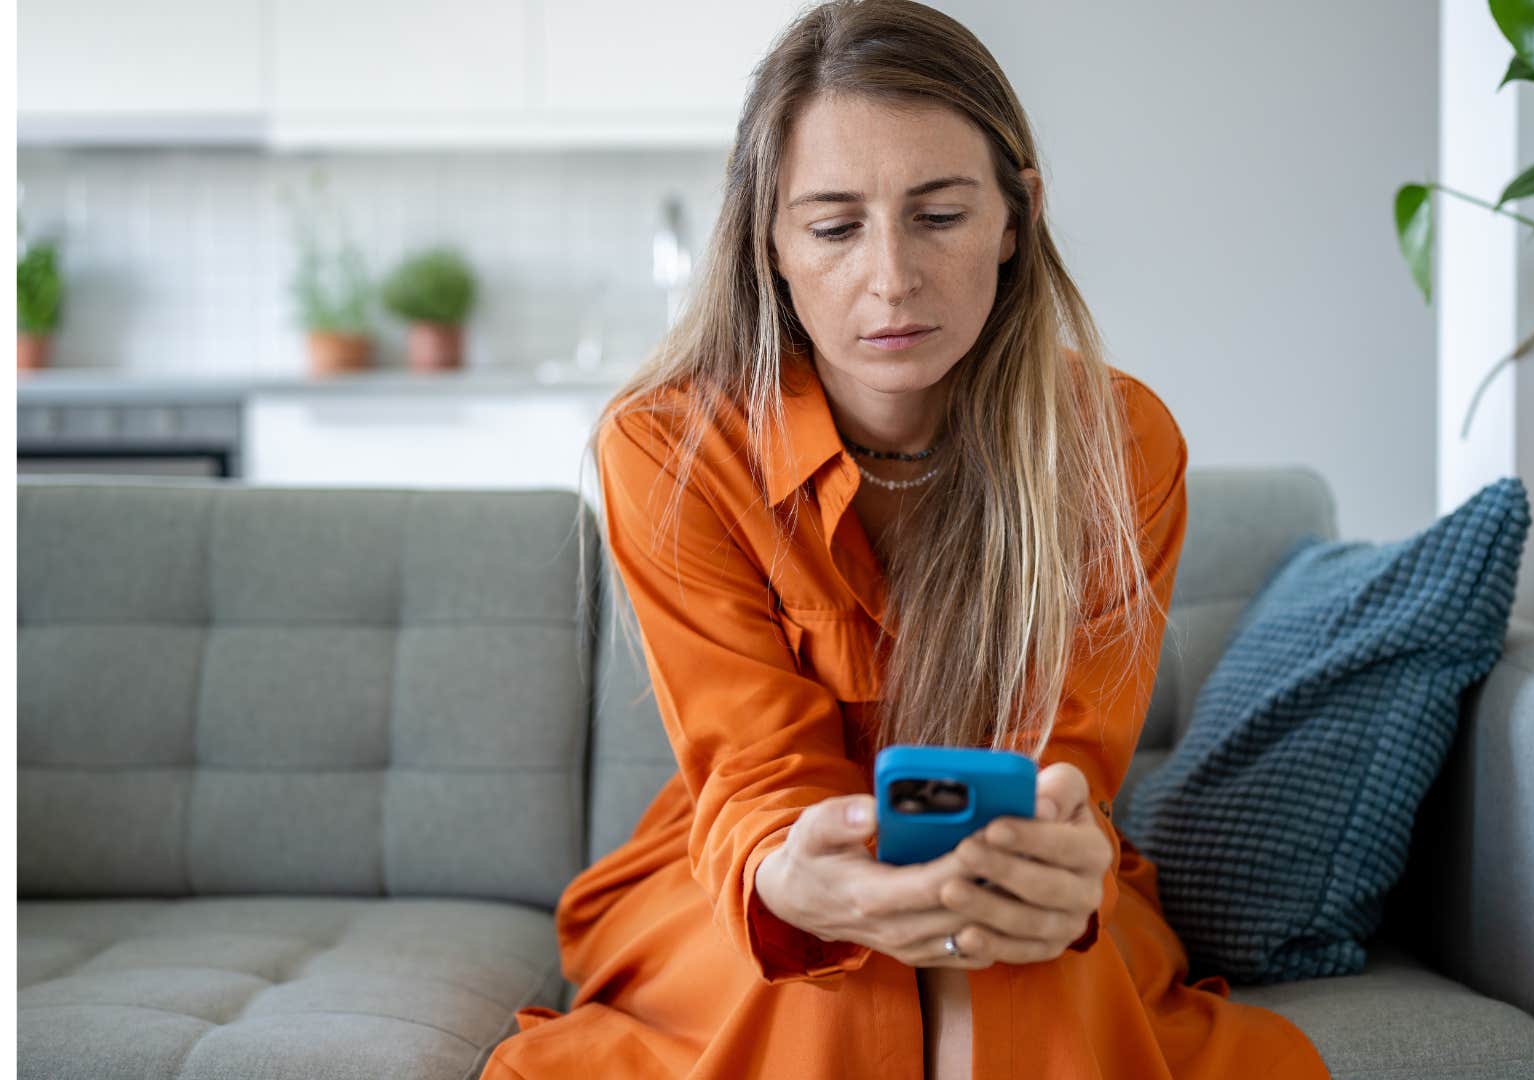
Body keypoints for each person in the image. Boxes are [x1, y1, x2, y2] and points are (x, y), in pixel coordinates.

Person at [480, 1, 1328, 1077]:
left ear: (1016, 218)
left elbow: (1067, 761)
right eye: (835, 226)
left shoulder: (1120, 442)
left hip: (1017, 860)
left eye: (939, 215)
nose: (890, 278)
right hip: (749, 872)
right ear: (771, 242)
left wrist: (1044, 862)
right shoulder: (667, 449)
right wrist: (802, 882)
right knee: (836, 977)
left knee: (1017, 970)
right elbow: (754, 771)